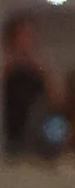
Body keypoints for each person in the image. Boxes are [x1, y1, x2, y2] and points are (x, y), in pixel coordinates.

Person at [1, 21, 46, 157]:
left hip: (34, 130)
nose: (26, 40)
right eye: (22, 36)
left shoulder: (39, 66)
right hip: (10, 134)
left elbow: (55, 98)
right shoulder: (6, 64)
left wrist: (41, 71)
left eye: (29, 36)